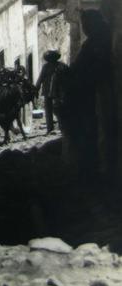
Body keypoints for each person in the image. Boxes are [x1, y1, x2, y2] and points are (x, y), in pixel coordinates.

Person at [65, 10, 112, 177]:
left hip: (94, 96)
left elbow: (95, 69)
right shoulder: (98, 41)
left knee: (90, 132)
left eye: (85, 24)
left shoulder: (98, 44)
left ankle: (91, 170)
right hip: (89, 95)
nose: (84, 28)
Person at [35, 50, 63, 134]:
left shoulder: (47, 67)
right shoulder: (60, 65)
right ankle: (55, 127)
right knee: (55, 109)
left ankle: (51, 128)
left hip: (54, 91)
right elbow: (41, 78)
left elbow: (40, 78)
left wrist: (37, 87)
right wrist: (37, 87)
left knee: (51, 109)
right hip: (53, 91)